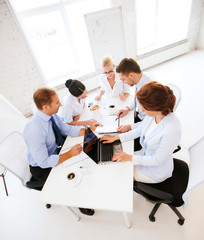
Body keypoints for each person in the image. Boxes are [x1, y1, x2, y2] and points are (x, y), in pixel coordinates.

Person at [23, 87, 96, 216]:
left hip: (54, 153)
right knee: (72, 174)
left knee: (83, 155)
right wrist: (68, 154)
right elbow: (44, 162)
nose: (61, 104)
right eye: (57, 102)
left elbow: (67, 129)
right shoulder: (34, 129)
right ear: (45, 107)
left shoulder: (52, 116)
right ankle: (79, 202)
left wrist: (89, 129)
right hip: (41, 168)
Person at [100, 81, 181, 183]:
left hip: (155, 171)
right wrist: (116, 138)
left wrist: (129, 157)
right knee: (120, 165)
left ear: (155, 108)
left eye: (144, 109)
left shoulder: (172, 130)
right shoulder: (155, 114)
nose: (142, 111)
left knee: (122, 176)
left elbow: (156, 160)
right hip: (145, 156)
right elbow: (139, 130)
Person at [115, 58, 153, 151]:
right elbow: (136, 99)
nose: (124, 82)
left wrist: (130, 127)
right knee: (118, 128)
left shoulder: (147, 89)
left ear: (131, 75)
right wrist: (127, 108)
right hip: (141, 118)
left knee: (124, 145)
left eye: (123, 79)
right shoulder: (141, 79)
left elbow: (149, 122)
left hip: (147, 125)